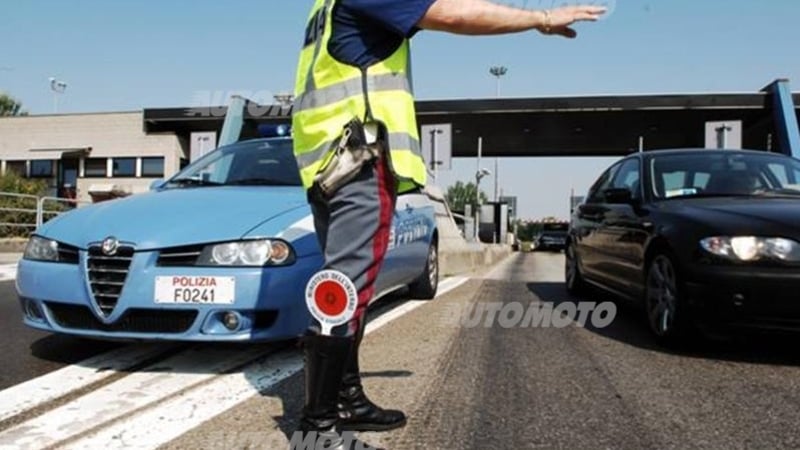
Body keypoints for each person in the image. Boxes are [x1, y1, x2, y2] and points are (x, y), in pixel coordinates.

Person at [292, 1, 606, 448]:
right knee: (342, 292)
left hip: (326, 165)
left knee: (348, 288)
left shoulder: (323, 5)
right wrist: (540, 19)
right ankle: (318, 427)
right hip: (357, 159)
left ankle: (346, 398)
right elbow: (454, 14)